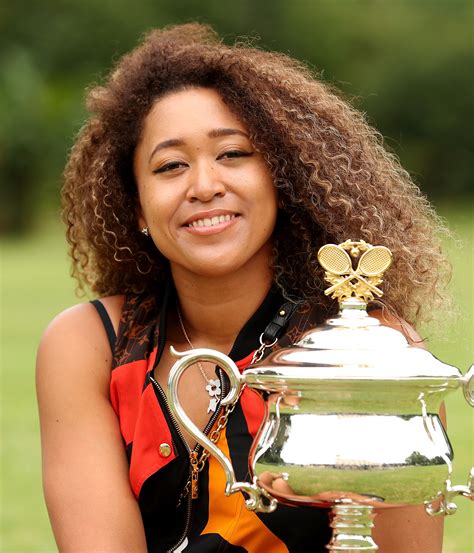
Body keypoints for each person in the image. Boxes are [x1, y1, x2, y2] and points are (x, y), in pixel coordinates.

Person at [36, 23, 450, 552]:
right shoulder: (89, 346)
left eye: (233, 154)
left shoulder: (372, 354)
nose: (205, 185)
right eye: (170, 166)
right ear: (136, 206)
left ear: (281, 178)